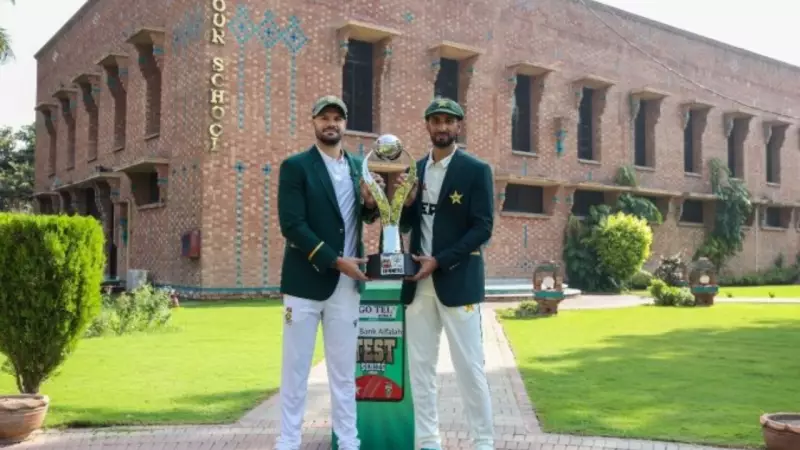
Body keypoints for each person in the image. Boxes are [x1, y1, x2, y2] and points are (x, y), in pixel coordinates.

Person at [275, 94, 381, 450]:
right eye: (324, 117)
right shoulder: (296, 167)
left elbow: (364, 215)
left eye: (337, 117)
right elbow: (292, 225)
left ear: (345, 124)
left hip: (346, 287)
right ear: (314, 122)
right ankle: (288, 442)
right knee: (295, 370)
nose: (331, 123)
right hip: (304, 283)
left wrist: (370, 204)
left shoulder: (358, 167)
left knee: (344, 372)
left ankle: (349, 442)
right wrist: (336, 260)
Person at [399, 97, 495, 450]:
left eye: (448, 121)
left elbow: (483, 227)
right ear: (427, 125)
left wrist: (439, 260)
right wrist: (407, 204)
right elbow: (405, 223)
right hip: (417, 283)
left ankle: (483, 442)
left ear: (458, 126)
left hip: (458, 280)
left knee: (469, 367)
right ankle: (428, 441)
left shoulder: (476, 170)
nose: (442, 127)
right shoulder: (414, 170)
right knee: (420, 367)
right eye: (436, 120)